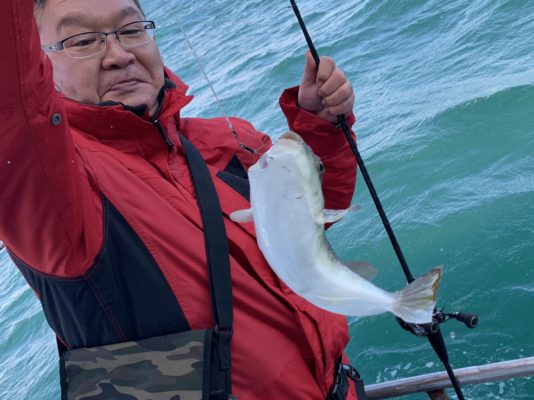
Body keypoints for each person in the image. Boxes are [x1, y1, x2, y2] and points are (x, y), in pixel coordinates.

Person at [0, 0, 360, 398]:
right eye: (83, 41)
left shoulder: (224, 138)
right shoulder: (52, 189)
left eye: (132, 30)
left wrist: (321, 129)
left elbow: (304, 227)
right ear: (39, 65)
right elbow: (12, 105)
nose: (119, 55)